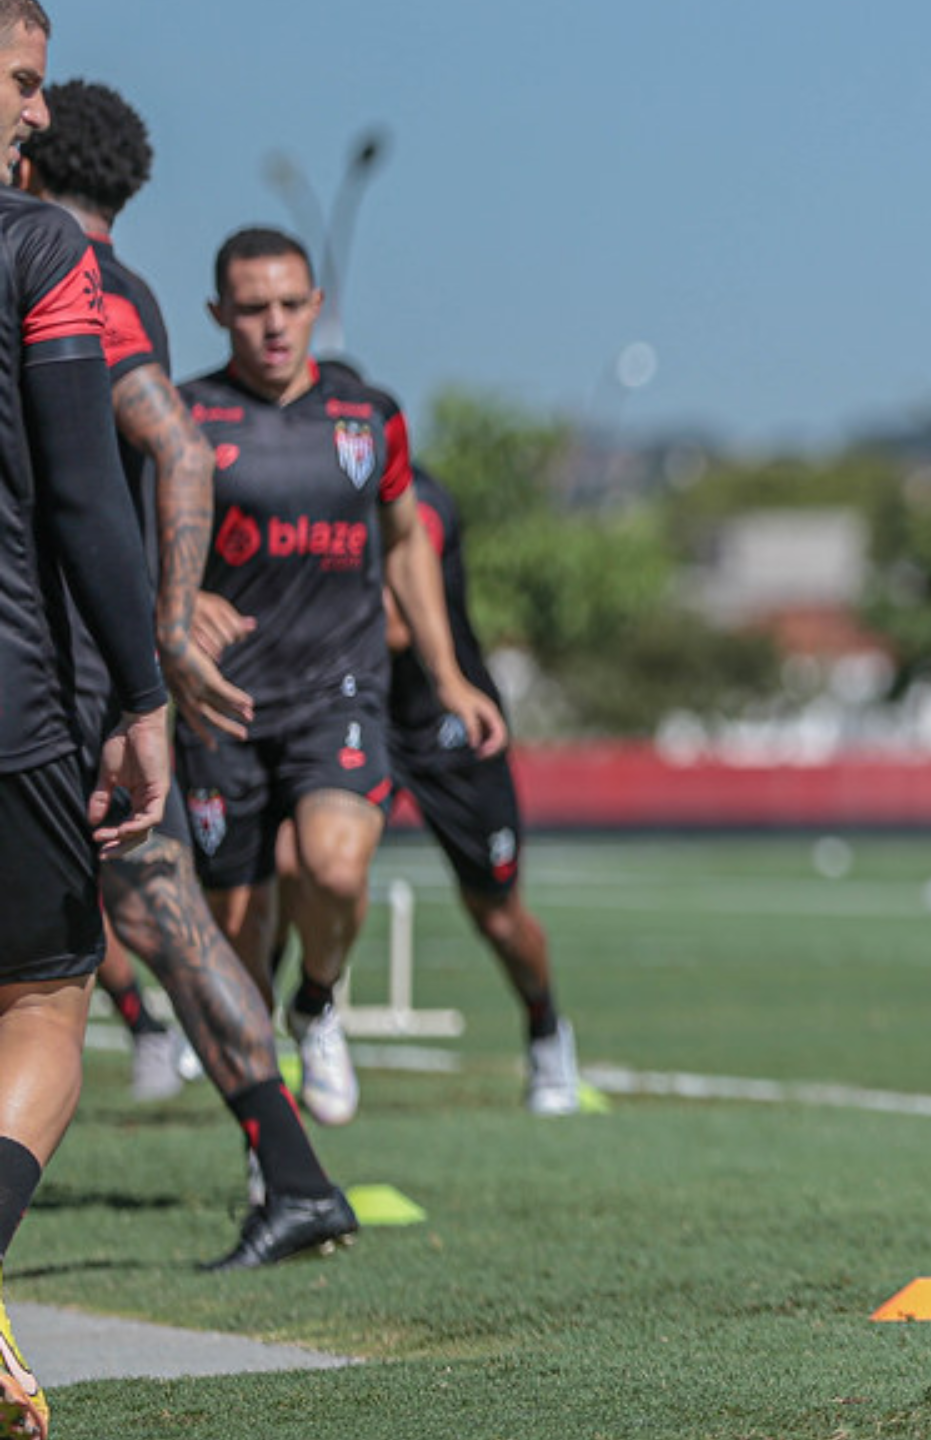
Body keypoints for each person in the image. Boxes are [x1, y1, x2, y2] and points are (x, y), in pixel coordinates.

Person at [18, 78, 357, 1269]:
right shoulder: (137, 287)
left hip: (60, 677)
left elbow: (173, 444)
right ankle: (297, 1171)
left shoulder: (66, 273)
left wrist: (164, 619)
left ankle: (298, 1168)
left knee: (145, 927)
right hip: (83, 672)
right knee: (163, 919)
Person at [176, 227, 504, 1129]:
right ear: (219, 314)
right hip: (220, 706)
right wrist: (179, 599)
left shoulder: (370, 417)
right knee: (235, 941)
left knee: (333, 864)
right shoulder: (181, 417)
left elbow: (405, 546)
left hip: (339, 694)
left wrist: (447, 677)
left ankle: (317, 1003)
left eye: (290, 305)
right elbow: (119, 535)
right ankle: (269, 1154)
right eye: (251, 310)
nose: (274, 326)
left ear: (315, 305)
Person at [0, 5, 172, 1431]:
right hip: (12, 707)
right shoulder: (41, 250)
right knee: (46, 1007)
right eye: (18, 81)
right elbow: (82, 496)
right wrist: (144, 693)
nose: (35, 117)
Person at [273, 386, 585, 1116]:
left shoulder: (423, 503)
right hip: (351, 711)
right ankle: (292, 1012)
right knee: (298, 864)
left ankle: (545, 1030)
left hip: (448, 723)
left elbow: (400, 624)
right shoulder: (299, 499)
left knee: (498, 914)